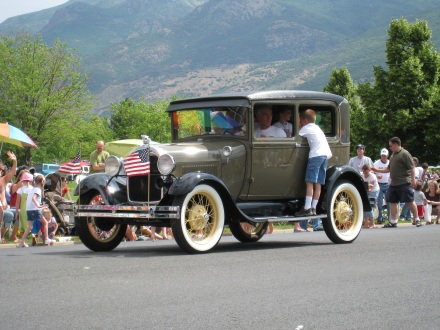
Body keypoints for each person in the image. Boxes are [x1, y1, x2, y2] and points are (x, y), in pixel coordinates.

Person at [373, 137, 421, 228]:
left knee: (409, 201)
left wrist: (413, 180)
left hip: (404, 182)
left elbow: (412, 168)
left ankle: (417, 219)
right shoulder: (393, 155)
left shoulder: (405, 154)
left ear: (396, 144)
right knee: (392, 202)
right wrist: (376, 169)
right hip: (393, 183)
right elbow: (388, 169)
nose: (390, 148)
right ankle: (393, 221)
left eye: (391, 146)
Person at [295, 109, 332, 216]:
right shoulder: (317, 128)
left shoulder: (306, 128)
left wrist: (298, 126)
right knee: (318, 184)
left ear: (305, 120)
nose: (300, 123)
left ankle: (306, 208)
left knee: (309, 182)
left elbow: (297, 135)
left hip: (315, 155)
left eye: (300, 121)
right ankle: (313, 208)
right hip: (325, 155)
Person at [16, 173, 54, 247]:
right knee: (45, 223)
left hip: (28, 210)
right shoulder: (37, 190)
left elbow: (28, 198)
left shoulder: (31, 189)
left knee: (29, 227)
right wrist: (38, 205)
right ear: (42, 182)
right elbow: (33, 198)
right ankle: (46, 239)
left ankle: (21, 242)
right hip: (34, 209)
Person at [373, 148, 390, 224]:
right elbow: (372, 172)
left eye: (385, 156)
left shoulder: (389, 163)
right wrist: (377, 176)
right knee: (379, 202)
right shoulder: (376, 163)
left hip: (388, 184)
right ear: (380, 155)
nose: (384, 157)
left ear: (387, 156)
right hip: (379, 184)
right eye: (382, 155)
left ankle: (390, 217)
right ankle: (380, 217)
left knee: (389, 201)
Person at [361, 164, 379, 228]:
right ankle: (366, 223)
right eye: (364, 172)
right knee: (365, 206)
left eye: (366, 172)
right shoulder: (362, 175)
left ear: (369, 171)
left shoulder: (372, 176)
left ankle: (372, 223)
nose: (365, 174)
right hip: (366, 192)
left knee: (370, 207)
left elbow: (370, 189)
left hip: (374, 191)